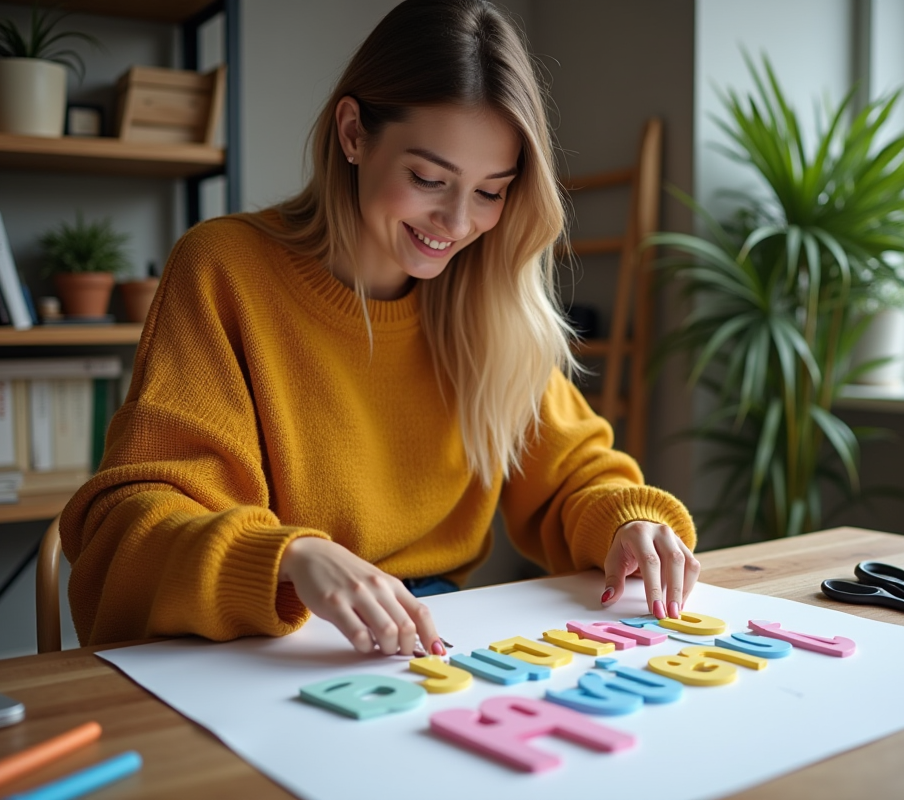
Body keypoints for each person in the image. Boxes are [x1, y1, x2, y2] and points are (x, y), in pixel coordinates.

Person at [59, 0, 698, 658]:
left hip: (434, 633)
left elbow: (574, 475)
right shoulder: (224, 269)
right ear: (354, 133)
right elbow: (130, 527)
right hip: (263, 639)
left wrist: (630, 519)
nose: (455, 223)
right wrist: (291, 556)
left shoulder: (488, 296)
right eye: (428, 178)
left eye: (490, 191)